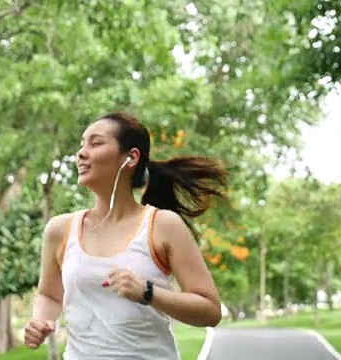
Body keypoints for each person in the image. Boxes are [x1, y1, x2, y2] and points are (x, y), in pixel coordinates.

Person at [24, 111, 226, 359]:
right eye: (81, 145)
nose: (82, 153)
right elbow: (49, 295)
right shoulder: (60, 229)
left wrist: (147, 292)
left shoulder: (162, 225)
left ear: (130, 158)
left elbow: (210, 310)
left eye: (95, 143)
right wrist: (39, 320)